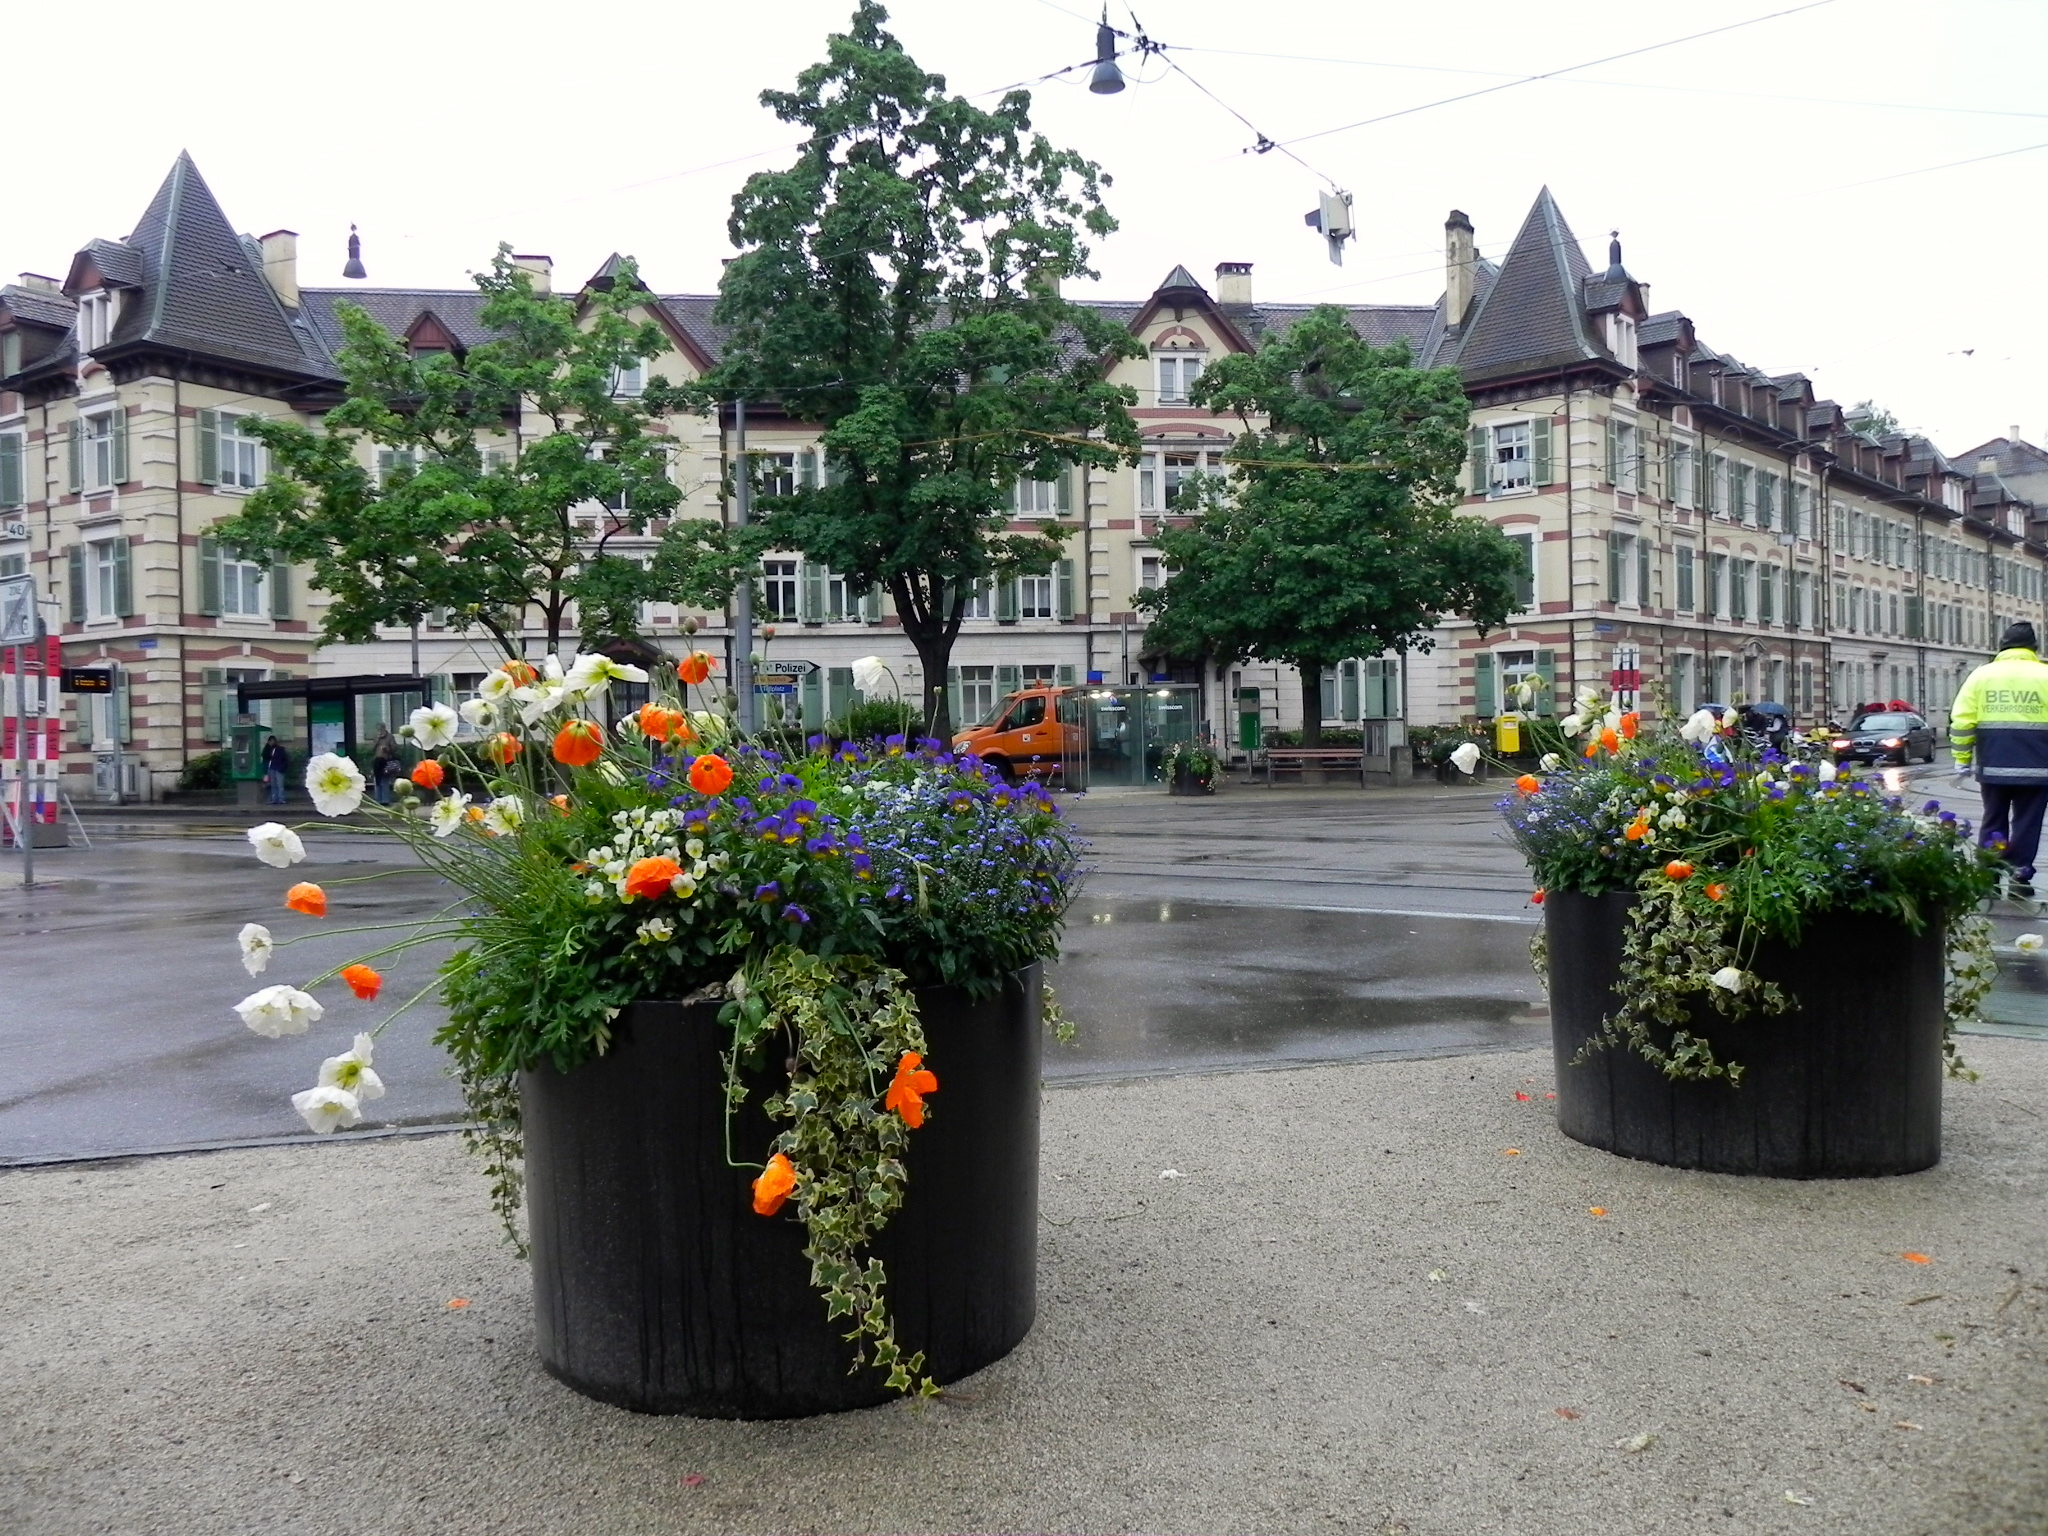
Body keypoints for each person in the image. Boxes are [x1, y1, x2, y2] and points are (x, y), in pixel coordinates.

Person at [1950, 621, 2048, 896]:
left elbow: (1962, 721)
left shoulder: (1982, 676)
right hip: (2039, 767)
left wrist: (1961, 758)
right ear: (2034, 647)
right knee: (2027, 823)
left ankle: (1990, 874)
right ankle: (2020, 874)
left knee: (1993, 819)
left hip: (1993, 765)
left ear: (2002, 646)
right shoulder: (2045, 675)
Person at [370, 725, 401, 806]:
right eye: (378, 730)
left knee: (384, 780)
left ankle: (385, 800)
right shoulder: (376, 737)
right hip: (377, 760)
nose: (380, 731)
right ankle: (378, 800)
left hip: (386, 760)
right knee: (377, 780)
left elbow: (395, 748)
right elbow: (371, 749)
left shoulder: (390, 737)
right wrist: (377, 741)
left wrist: (387, 749)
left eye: (381, 729)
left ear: (384, 729)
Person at [261, 735, 290, 806]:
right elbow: (264, 757)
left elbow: (285, 759)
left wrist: (282, 768)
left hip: (279, 768)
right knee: (273, 785)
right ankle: (275, 799)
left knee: (280, 785)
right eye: (270, 741)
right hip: (271, 769)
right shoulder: (267, 749)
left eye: (273, 741)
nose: (271, 742)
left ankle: (281, 799)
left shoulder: (280, 749)